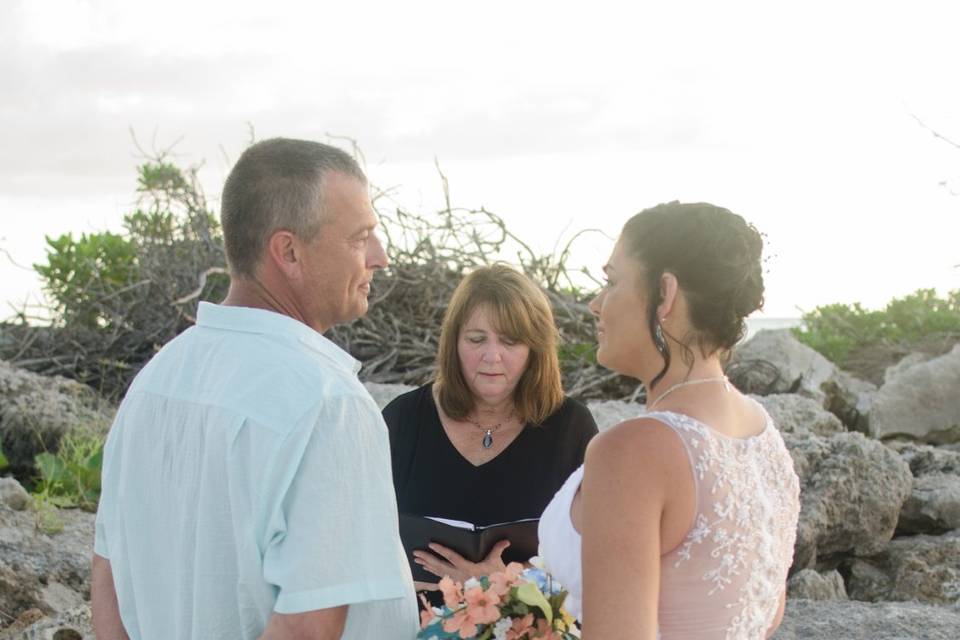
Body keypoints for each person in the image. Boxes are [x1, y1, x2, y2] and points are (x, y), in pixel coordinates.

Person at [91, 138, 419, 640]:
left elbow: (109, 587)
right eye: (360, 237)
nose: (380, 257)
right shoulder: (326, 402)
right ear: (288, 251)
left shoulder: (154, 384)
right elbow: (308, 629)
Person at [538, 202, 801, 639]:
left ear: (665, 293)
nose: (595, 304)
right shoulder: (763, 433)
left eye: (612, 281)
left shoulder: (633, 451)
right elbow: (764, 617)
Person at [383, 264, 598, 597]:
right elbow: (358, 531)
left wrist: (507, 580)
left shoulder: (571, 428)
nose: (491, 356)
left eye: (510, 341)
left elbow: (596, 553)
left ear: (534, 351)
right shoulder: (403, 419)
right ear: (453, 342)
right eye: (476, 339)